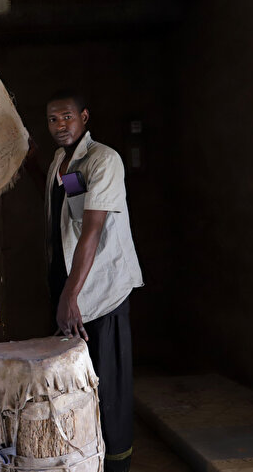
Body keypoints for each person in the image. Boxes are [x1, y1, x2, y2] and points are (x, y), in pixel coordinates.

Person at [44, 90, 143, 472]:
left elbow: (93, 231)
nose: (60, 125)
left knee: (109, 383)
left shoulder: (103, 159)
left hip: (101, 290)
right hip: (71, 288)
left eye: (67, 117)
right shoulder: (64, 161)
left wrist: (72, 297)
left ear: (84, 117)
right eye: (53, 119)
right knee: (76, 381)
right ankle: (84, 457)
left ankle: (117, 463)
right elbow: (73, 211)